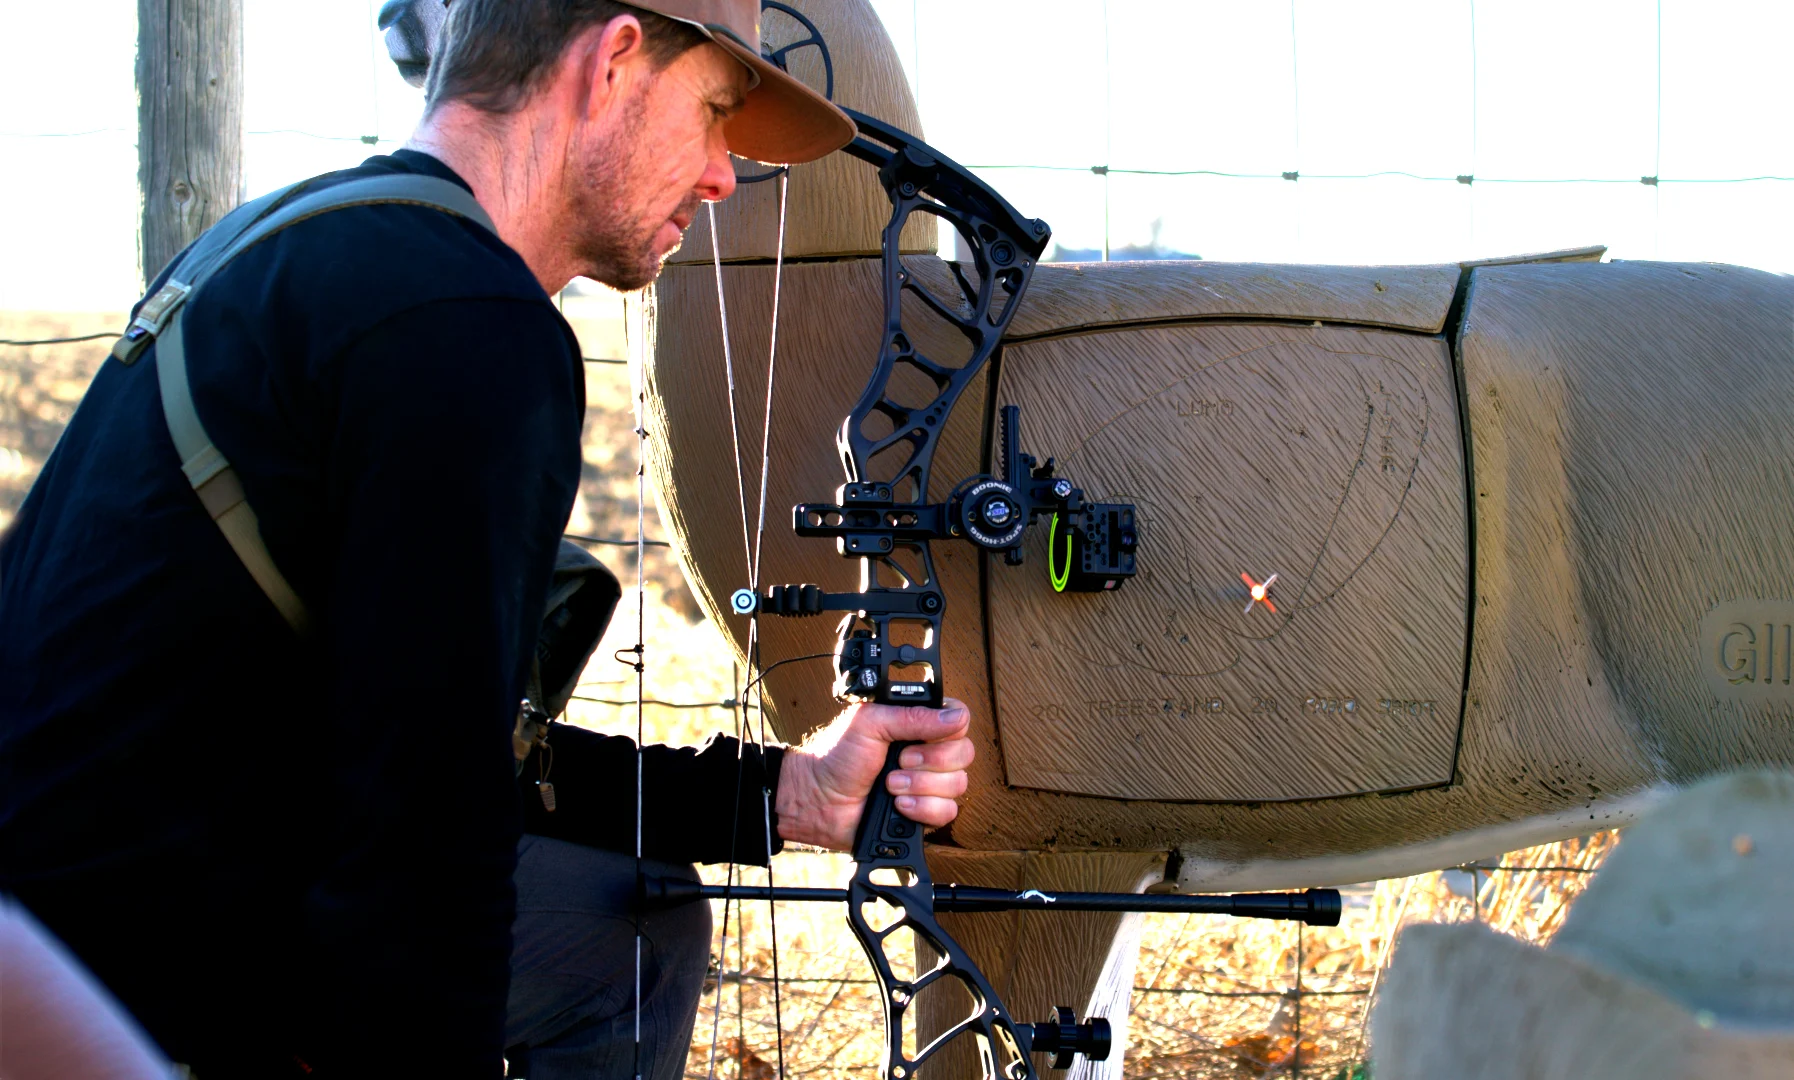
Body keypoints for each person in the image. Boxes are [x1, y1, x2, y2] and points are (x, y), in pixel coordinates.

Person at [0, 1, 973, 1076]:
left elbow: (435, 739)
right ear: (611, 64)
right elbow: (425, 850)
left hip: (63, 917)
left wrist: (784, 795)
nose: (719, 177)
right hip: (115, 990)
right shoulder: (466, 326)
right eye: (711, 113)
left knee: (626, 923)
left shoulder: (297, 242)